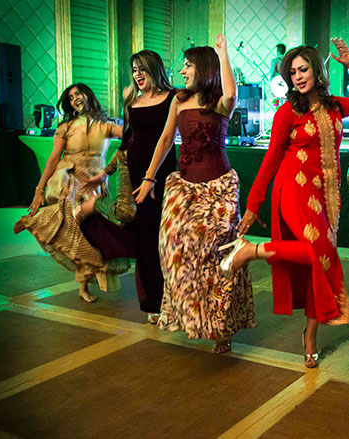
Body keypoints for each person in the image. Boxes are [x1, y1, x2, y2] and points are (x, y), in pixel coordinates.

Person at [220, 38, 349, 368]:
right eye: (293, 73)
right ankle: (252, 250)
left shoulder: (334, 106)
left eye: (303, 70)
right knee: (316, 252)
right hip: (293, 187)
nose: (298, 77)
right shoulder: (287, 112)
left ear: (317, 71)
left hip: (327, 195)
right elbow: (270, 160)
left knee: (321, 261)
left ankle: (310, 335)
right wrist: (253, 204)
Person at [133, 35, 255, 354]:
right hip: (184, 187)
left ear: (203, 68)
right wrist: (148, 178)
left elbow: (231, 93)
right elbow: (165, 140)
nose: (182, 71)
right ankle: (187, 315)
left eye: (187, 65)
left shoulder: (220, 102)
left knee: (216, 257)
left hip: (217, 188)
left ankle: (221, 328)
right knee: (172, 248)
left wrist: (223, 53)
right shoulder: (179, 100)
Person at [78, 50, 177, 324]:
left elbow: (168, 138)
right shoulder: (132, 100)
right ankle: (152, 303)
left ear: (154, 69)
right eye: (134, 70)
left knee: (166, 239)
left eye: (141, 69)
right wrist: (104, 174)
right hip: (134, 174)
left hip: (163, 175)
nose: (137, 74)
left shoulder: (173, 97)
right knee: (146, 238)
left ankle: (172, 298)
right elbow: (126, 142)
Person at [13, 84, 128, 303]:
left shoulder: (107, 125)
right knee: (77, 234)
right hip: (71, 182)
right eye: (71, 97)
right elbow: (53, 159)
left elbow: (131, 138)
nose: (75, 98)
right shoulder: (65, 127)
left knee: (95, 236)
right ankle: (83, 285)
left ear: (88, 95)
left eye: (78, 94)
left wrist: (109, 169)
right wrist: (39, 190)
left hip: (96, 185)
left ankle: (92, 276)